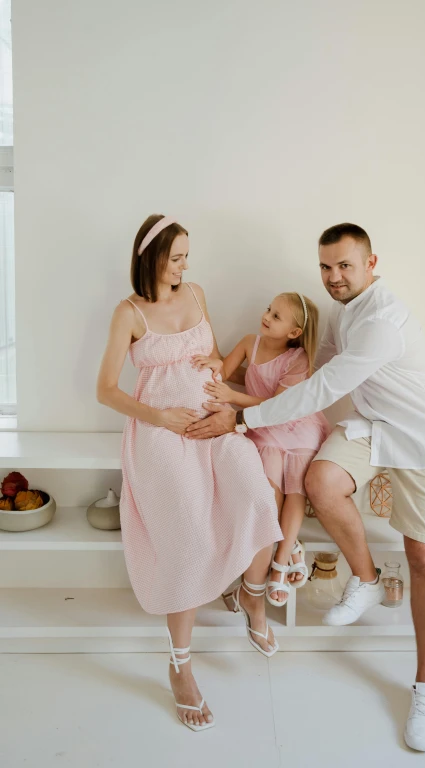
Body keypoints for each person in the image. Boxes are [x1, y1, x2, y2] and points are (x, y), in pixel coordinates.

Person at [185, 222, 425, 752]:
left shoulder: (382, 320)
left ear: (371, 263)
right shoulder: (344, 310)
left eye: (345, 266)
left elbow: (323, 387)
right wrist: (237, 382)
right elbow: (322, 363)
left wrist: (242, 420)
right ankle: (366, 576)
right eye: (326, 267)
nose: (333, 277)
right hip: (376, 428)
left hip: (424, 438)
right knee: (320, 480)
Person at [96, 214, 282, 733]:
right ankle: (180, 663)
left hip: (214, 420)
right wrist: (161, 417)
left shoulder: (196, 293)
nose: (183, 266)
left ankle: (251, 591)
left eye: (185, 256)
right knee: (187, 533)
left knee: (259, 498)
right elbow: (106, 389)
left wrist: (226, 395)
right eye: (176, 257)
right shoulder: (128, 313)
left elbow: (215, 359)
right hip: (159, 430)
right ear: (151, 258)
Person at [192, 292, 330, 606]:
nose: (267, 316)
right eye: (269, 309)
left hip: (294, 426)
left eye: (277, 316)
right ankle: (290, 544)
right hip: (263, 431)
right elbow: (222, 374)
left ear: (294, 333)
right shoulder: (248, 342)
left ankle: (281, 562)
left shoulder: (298, 360)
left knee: (296, 490)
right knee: (270, 492)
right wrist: (214, 363)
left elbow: (278, 407)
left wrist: (234, 397)